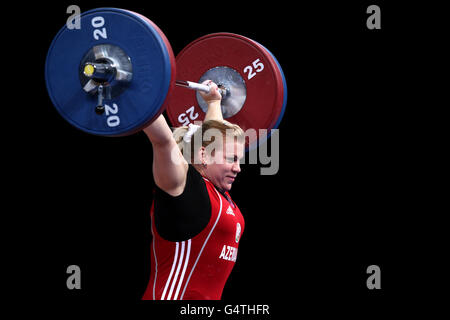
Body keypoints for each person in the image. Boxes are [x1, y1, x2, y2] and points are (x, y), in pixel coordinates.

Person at [141, 80, 246, 300]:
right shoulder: (183, 189)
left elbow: (211, 136)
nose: (237, 168)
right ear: (204, 156)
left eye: (239, 160)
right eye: (231, 159)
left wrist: (214, 102)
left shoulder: (219, 194)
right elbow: (162, 141)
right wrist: (138, 93)